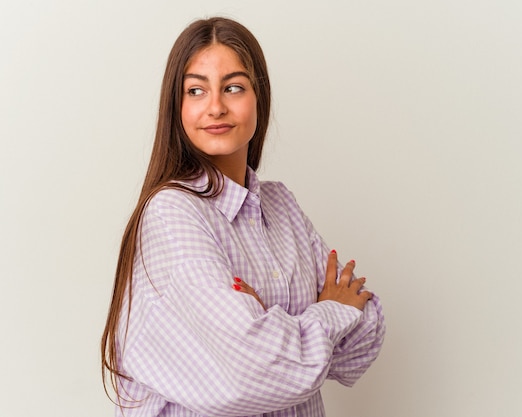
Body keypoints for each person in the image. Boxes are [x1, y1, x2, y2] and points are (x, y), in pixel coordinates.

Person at [101, 16, 385, 417]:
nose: (215, 106)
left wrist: (269, 324)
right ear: (177, 106)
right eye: (196, 90)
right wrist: (326, 312)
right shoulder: (171, 212)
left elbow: (365, 337)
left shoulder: (280, 205)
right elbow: (247, 374)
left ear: (259, 97)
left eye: (233, 87)